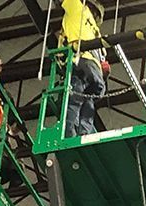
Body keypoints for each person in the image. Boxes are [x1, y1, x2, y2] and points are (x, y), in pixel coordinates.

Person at [60, 0, 111, 137]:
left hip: (80, 59)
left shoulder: (78, 9)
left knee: (78, 97)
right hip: (86, 62)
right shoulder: (96, 32)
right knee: (88, 98)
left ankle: (71, 132)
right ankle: (83, 133)